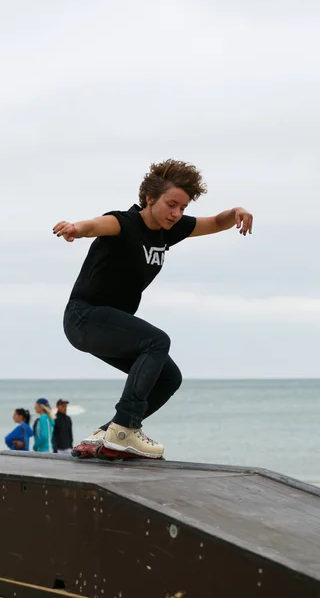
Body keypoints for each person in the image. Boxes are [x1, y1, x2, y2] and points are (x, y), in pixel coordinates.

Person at [53, 159, 253, 458]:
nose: (177, 214)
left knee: (168, 377)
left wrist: (237, 212)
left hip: (109, 325)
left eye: (182, 208)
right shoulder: (125, 223)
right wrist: (75, 228)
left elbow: (214, 222)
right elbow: (96, 225)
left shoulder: (168, 229)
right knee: (157, 341)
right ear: (149, 198)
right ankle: (124, 428)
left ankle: (108, 434)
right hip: (84, 318)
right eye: (172, 204)